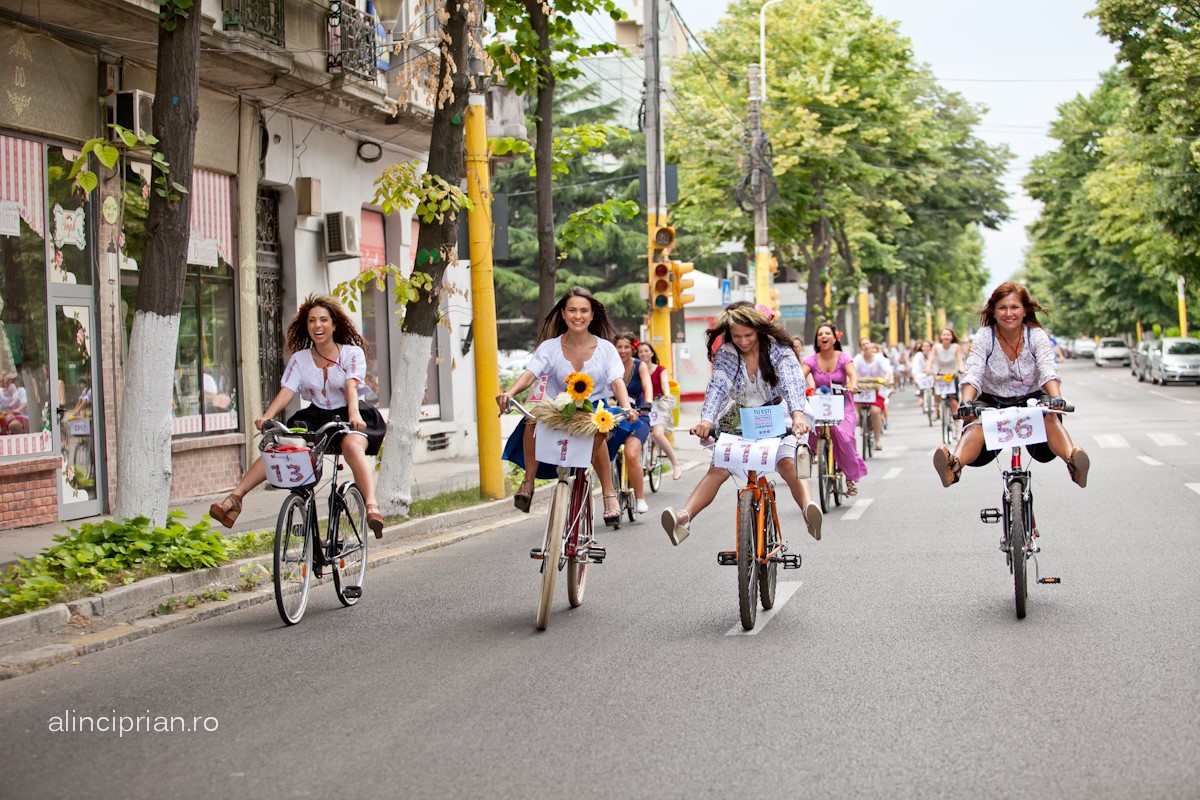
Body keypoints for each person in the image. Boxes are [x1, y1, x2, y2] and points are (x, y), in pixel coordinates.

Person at [209, 295, 386, 537]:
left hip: (349, 411)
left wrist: (353, 414)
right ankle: (234, 499)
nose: (318, 325)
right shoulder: (299, 360)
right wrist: (266, 416)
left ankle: (372, 507)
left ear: (334, 324)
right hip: (315, 415)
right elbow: (287, 390)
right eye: (312, 321)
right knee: (280, 445)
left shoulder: (351, 353)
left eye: (324, 320)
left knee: (352, 446)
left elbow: (351, 386)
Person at [661, 303, 822, 544]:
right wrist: (706, 420)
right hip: (741, 415)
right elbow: (718, 385)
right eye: (737, 336)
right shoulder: (727, 352)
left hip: (780, 412)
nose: (743, 341)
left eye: (748, 335)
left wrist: (798, 416)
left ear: (759, 330)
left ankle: (809, 510)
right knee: (719, 466)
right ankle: (683, 517)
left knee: (787, 462)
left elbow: (792, 381)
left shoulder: (779, 350)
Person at [496, 287, 639, 528]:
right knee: (532, 419)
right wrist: (509, 393)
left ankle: (608, 493)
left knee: (597, 426)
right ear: (563, 313)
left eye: (584, 310)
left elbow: (616, 381)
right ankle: (528, 483)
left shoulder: (606, 349)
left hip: (592, 407)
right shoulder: (549, 347)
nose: (578, 315)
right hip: (556, 407)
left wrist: (627, 407)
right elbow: (530, 374)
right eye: (572, 310)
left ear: (592, 315)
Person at [932, 282, 1089, 489]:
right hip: (991, 400)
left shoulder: (1037, 335)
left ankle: (1074, 462)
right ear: (994, 312)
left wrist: (1055, 397)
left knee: (1049, 416)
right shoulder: (984, 336)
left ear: (1024, 310)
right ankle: (953, 466)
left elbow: (1047, 369)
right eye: (1002, 308)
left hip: (1032, 398)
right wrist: (966, 402)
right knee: (976, 424)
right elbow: (973, 372)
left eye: (1014, 307)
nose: (1008, 313)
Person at [801, 321, 868, 496]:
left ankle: (849, 478)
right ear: (817, 340)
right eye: (820, 334)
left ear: (834, 338)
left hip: (842, 405)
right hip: (819, 405)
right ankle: (816, 456)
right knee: (808, 433)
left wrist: (853, 385)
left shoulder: (844, 357)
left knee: (844, 438)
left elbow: (853, 374)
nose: (824, 336)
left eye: (827, 334)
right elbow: (800, 377)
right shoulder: (811, 360)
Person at [611, 331, 652, 513]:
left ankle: (640, 498)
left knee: (632, 453)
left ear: (632, 348)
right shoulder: (609, 366)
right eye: (619, 347)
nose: (622, 350)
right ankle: (609, 495)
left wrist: (648, 402)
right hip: (614, 416)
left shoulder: (639, 365)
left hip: (639, 416)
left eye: (626, 347)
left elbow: (647, 385)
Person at [636, 340, 683, 481]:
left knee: (657, 434)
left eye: (646, 350)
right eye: (640, 351)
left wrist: (667, 393)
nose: (644, 353)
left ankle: (675, 464)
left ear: (651, 353)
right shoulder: (637, 368)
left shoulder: (660, 369)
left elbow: (664, 384)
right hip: (641, 406)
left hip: (658, 404)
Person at [853, 338, 890, 449]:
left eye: (867, 343)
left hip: (877, 389)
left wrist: (887, 379)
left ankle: (877, 440)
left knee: (875, 412)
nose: (866, 346)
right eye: (863, 344)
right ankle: (860, 416)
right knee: (856, 401)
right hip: (862, 389)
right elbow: (852, 371)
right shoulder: (858, 359)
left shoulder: (879, 358)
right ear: (860, 348)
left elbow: (888, 371)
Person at [930, 327, 965, 428]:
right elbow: (931, 359)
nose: (946, 337)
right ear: (940, 337)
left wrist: (961, 369)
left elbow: (959, 359)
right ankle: (936, 410)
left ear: (952, 337)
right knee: (937, 393)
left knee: (954, 402)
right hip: (940, 375)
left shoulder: (956, 347)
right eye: (944, 334)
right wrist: (928, 369)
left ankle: (957, 426)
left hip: (952, 376)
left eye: (948, 335)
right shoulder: (936, 347)